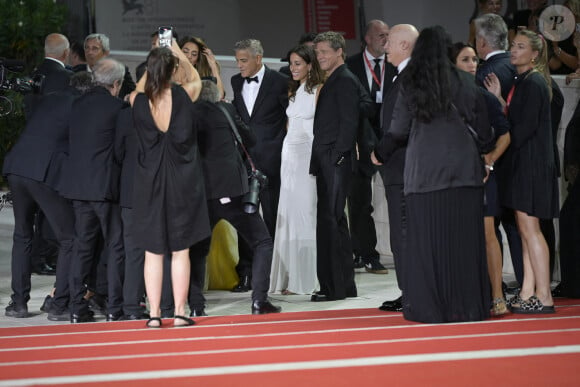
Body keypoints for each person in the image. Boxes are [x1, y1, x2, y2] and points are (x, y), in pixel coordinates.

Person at [382, 26, 493, 323]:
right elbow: (485, 133)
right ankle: (469, 307)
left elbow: (397, 130)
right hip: (466, 175)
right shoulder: (467, 82)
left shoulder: (412, 83)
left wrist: (378, 153)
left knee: (426, 246)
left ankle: (430, 308)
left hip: (425, 176)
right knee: (465, 245)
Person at [129, 42, 210, 328]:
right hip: (182, 183)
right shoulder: (185, 94)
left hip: (149, 182)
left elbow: (139, 90)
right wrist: (173, 48)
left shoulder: (138, 100)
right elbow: (196, 79)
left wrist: (153, 66)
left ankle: (153, 315)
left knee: (153, 251)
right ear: (174, 70)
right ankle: (179, 311)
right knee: (181, 249)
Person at [2, 72, 92, 320]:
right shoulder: (81, 105)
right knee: (69, 238)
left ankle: (18, 303)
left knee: (22, 235)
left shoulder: (50, 99)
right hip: (44, 172)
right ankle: (58, 304)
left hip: (17, 166)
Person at [193, 80, 281, 314]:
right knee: (262, 242)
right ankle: (259, 301)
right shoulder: (227, 110)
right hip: (234, 191)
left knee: (198, 249)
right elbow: (250, 138)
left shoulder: (188, 113)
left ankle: (195, 306)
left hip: (202, 195)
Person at [451, 42, 512, 317]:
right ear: (453, 65)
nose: (472, 64)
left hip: (483, 176)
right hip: (453, 178)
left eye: (474, 59)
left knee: (488, 236)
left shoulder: (485, 98)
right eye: (465, 59)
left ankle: (498, 296)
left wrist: (489, 160)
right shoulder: (445, 99)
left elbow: (505, 134)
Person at [64, 58, 126, 323]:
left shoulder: (76, 104)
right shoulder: (118, 107)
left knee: (82, 247)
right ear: (116, 84)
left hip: (78, 186)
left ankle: (77, 307)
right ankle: (114, 307)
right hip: (105, 188)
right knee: (115, 245)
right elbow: (122, 150)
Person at [502, 29, 559, 314]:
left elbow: (521, 130)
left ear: (535, 54)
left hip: (532, 166)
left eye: (520, 46)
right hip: (525, 165)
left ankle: (544, 295)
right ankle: (528, 291)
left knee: (532, 230)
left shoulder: (534, 83)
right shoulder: (523, 81)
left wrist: (497, 148)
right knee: (525, 231)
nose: (514, 50)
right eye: (513, 45)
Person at [230, 39, 289, 292]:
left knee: (274, 215)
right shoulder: (235, 81)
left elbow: (290, 117)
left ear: (258, 58)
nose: (239, 65)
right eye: (237, 61)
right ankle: (246, 273)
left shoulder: (279, 81)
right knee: (246, 217)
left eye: (244, 60)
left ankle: (274, 275)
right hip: (244, 159)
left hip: (272, 159)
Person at [269, 44, 324, 295]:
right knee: (289, 218)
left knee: (305, 217)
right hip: (288, 159)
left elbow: (317, 130)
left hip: (307, 160)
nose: (293, 68)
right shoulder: (296, 89)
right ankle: (291, 279)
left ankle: (306, 279)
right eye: (291, 64)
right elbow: (291, 127)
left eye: (298, 63)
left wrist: (318, 162)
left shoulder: (318, 89)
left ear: (310, 65)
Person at [371, 24, 419, 313]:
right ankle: (410, 290)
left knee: (404, 235)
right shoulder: (404, 75)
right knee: (403, 234)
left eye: (389, 42)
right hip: (401, 168)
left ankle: (411, 293)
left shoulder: (411, 77)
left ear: (404, 45)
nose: (384, 47)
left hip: (402, 168)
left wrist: (380, 151)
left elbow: (402, 126)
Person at [474, 12, 524, 289]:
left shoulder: (485, 74)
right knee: (515, 226)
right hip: (516, 157)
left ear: (482, 42)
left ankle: (497, 286)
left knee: (492, 227)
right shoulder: (515, 66)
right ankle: (524, 281)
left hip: (492, 160)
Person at [309, 31, 359, 302]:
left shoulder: (345, 80)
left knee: (332, 221)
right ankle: (340, 286)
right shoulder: (335, 80)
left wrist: (339, 156)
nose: (320, 58)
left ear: (339, 51)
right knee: (333, 222)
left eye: (324, 52)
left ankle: (335, 288)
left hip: (334, 160)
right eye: (317, 54)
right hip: (327, 158)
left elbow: (349, 122)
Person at [345, 19, 395, 274]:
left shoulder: (396, 64)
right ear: (367, 38)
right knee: (360, 202)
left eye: (388, 34)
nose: (385, 39)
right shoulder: (351, 65)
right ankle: (365, 254)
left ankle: (402, 251)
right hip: (360, 141)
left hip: (392, 140)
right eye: (380, 35)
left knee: (397, 198)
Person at [79, 33, 136, 99]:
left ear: (106, 53)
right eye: (87, 48)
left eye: (95, 48)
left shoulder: (119, 71)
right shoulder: (76, 71)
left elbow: (133, 94)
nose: (89, 52)